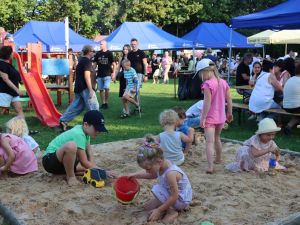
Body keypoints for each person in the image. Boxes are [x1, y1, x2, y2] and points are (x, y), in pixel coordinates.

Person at [43, 110, 111, 186]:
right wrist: (102, 171)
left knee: (88, 169)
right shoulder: (78, 134)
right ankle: (71, 177)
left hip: (61, 164)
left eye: (100, 129)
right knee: (71, 146)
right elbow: (84, 162)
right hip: (49, 161)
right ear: (86, 125)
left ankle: (68, 173)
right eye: (96, 129)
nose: (98, 132)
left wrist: (96, 171)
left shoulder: (85, 132)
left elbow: (89, 153)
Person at [129, 143, 192, 223]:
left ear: (159, 161)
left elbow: (174, 196)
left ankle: (172, 211)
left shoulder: (170, 174)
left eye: (148, 168)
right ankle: (164, 204)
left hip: (180, 199)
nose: (147, 171)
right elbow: (153, 175)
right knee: (146, 207)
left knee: (157, 189)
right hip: (174, 193)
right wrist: (135, 175)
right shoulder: (162, 164)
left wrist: (159, 210)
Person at [198, 58, 233, 174]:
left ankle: (210, 166)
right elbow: (229, 99)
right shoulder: (223, 82)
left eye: (200, 74)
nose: (201, 77)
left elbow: (206, 104)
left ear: (205, 71)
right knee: (217, 138)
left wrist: (203, 118)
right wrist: (230, 112)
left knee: (209, 142)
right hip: (221, 117)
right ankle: (218, 158)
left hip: (210, 118)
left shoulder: (207, 84)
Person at [59, 45, 99, 131]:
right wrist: (91, 90)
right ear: (88, 52)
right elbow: (87, 76)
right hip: (85, 88)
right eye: (93, 51)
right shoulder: (87, 62)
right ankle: (97, 125)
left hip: (79, 87)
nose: (94, 53)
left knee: (76, 107)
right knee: (94, 106)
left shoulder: (81, 60)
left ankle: (63, 120)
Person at [0, 46, 24, 117]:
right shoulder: (1, 64)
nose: (12, 54)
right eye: (11, 53)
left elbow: (16, 76)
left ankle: (19, 128)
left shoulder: (9, 65)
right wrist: (17, 90)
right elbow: (5, 79)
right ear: (8, 54)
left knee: (19, 111)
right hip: (4, 92)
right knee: (1, 112)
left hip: (13, 93)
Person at [93, 40, 115, 109]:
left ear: (105, 45)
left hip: (107, 74)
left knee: (107, 88)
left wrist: (113, 73)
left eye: (101, 44)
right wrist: (92, 71)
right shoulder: (98, 53)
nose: (100, 45)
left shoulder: (109, 53)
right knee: (101, 89)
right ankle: (103, 103)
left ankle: (106, 102)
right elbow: (95, 63)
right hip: (99, 74)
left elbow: (114, 64)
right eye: (100, 44)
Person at [282, 63, 300, 135]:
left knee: (297, 114)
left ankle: (289, 126)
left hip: (286, 107)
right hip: (296, 107)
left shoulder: (290, 79)